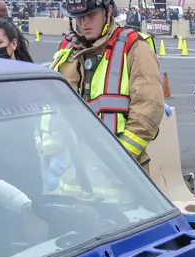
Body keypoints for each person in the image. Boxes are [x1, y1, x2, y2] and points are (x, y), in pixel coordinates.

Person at [49, 0, 161, 168]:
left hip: (120, 177)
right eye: (79, 17)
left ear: (108, 11)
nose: (84, 22)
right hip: (70, 176)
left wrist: (120, 157)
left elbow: (148, 109)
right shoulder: (67, 49)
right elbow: (52, 108)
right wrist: (51, 152)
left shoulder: (133, 46)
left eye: (91, 15)